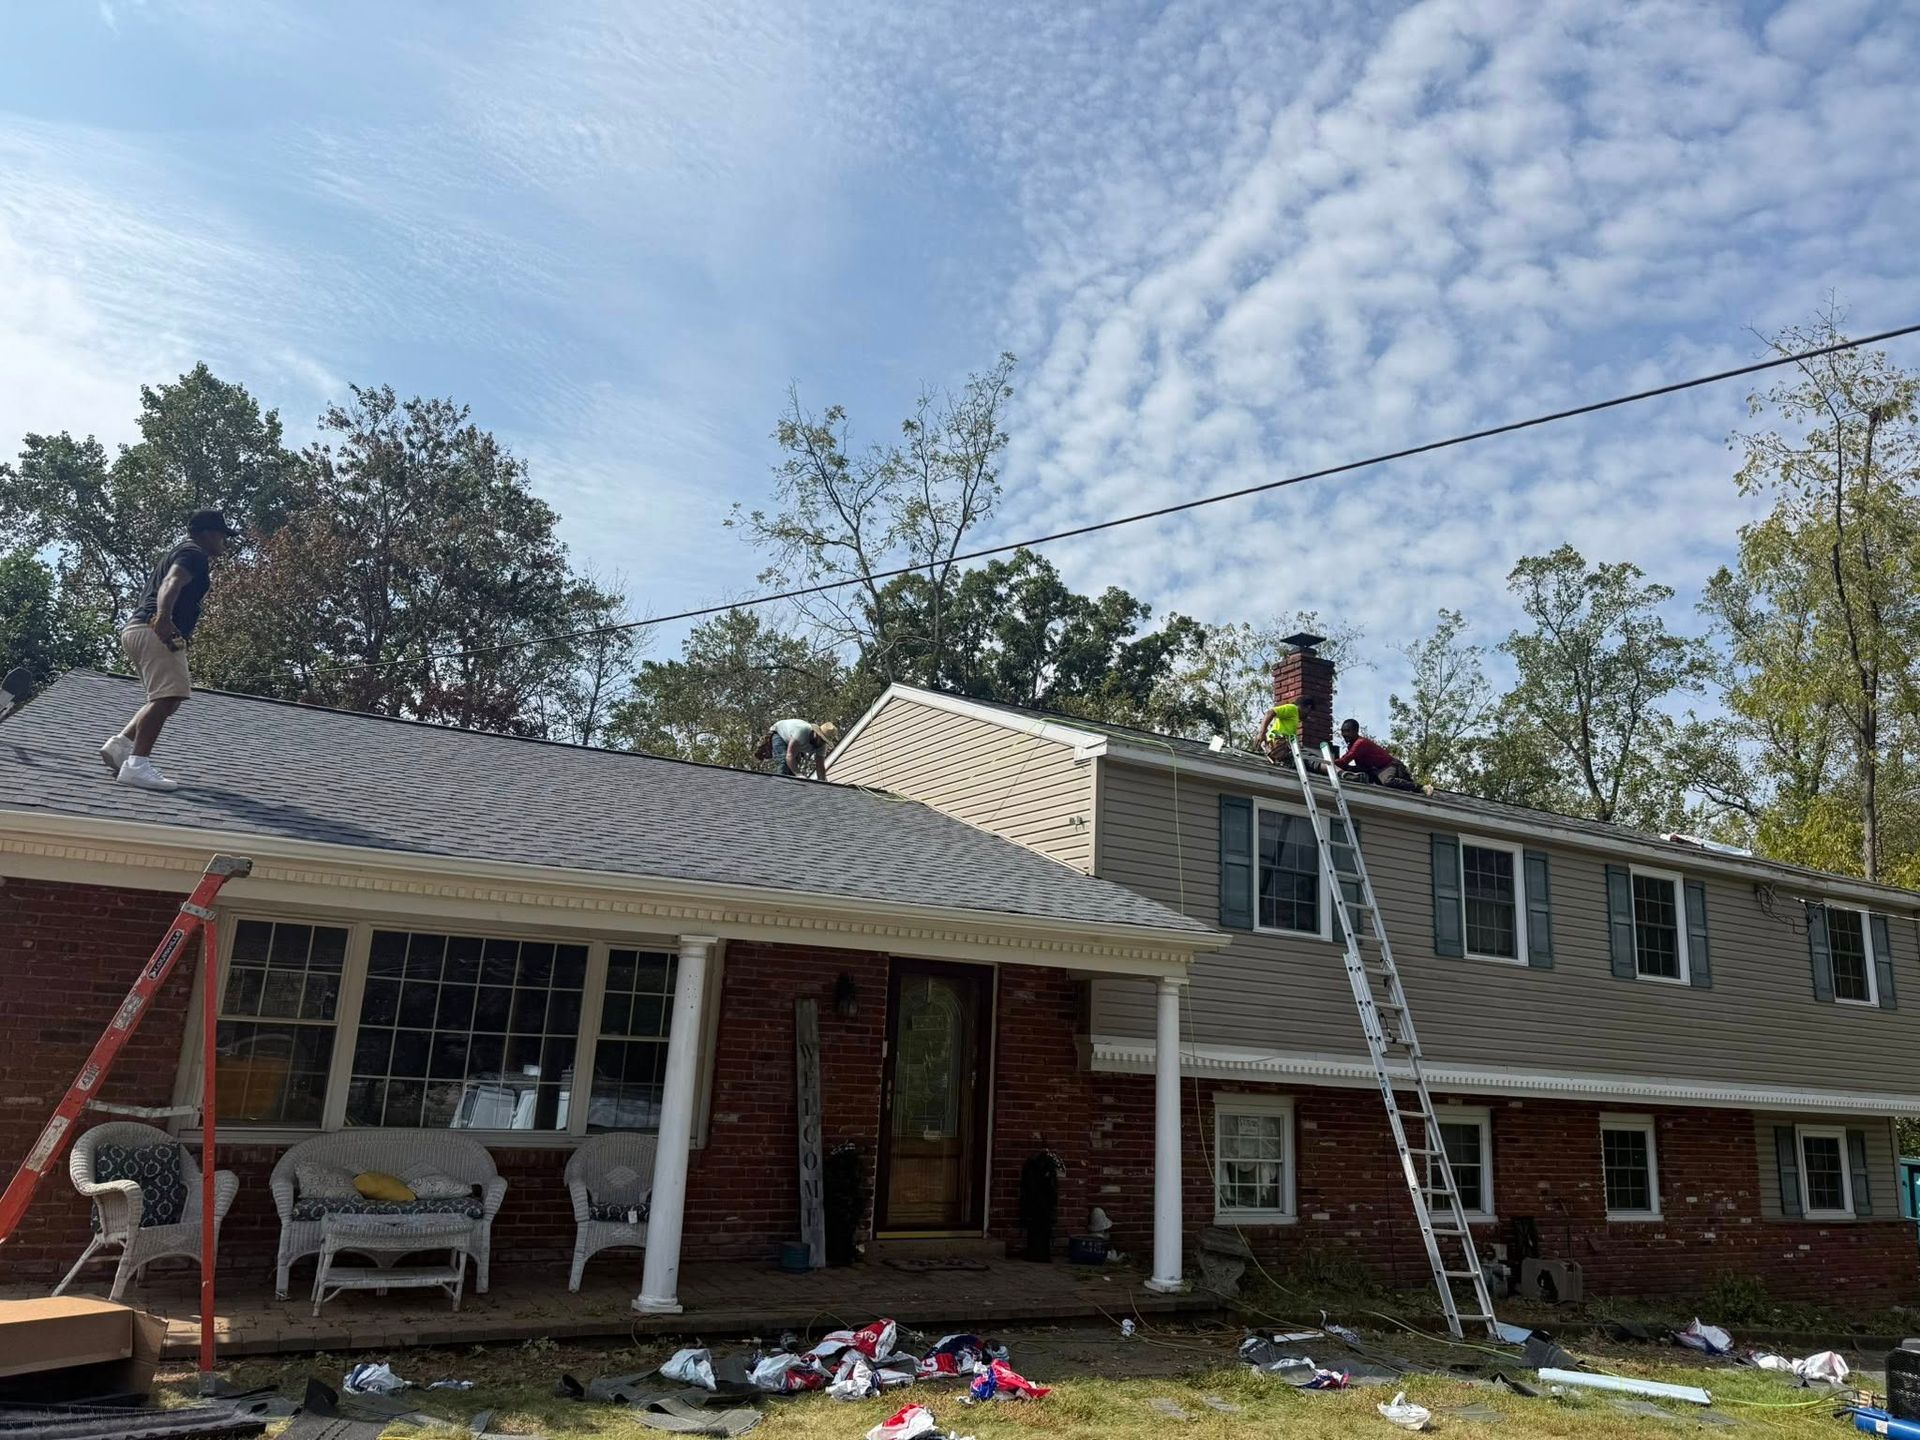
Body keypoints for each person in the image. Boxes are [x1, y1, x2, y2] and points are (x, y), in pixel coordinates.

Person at [100, 509, 239, 791]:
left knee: (168, 698)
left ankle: (121, 746)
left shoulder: (182, 550)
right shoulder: (194, 553)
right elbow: (171, 582)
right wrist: (164, 617)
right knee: (169, 695)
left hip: (136, 630)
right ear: (208, 534)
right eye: (222, 535)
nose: (224, 541)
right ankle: (137, 764)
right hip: (155, 630)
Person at [1333, 718, 1419, 790]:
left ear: (1355, 731)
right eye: (1343, 731)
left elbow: (1345, 759)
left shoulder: (1360, 743)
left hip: (1388, 766)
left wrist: (1329, 763)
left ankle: (1419, 787)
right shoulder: (1351, 746)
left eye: (1348, 731)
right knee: (1354, 771)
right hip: (1375, 771)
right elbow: (1358, 766)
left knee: (1387, 781)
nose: (1344, 734)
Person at [756, 717, 839, 779]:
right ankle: (779, 787)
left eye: (825, 741)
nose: (822, 743)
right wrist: (799, 775)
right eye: (822, 739)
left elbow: (820, 767)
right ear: (816, 734)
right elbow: (789, 755)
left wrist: (823, 783)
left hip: (794, 742)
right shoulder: (803, 731)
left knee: (793, 769)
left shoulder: (822, 746)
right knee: (784, 761)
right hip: (780, 734)